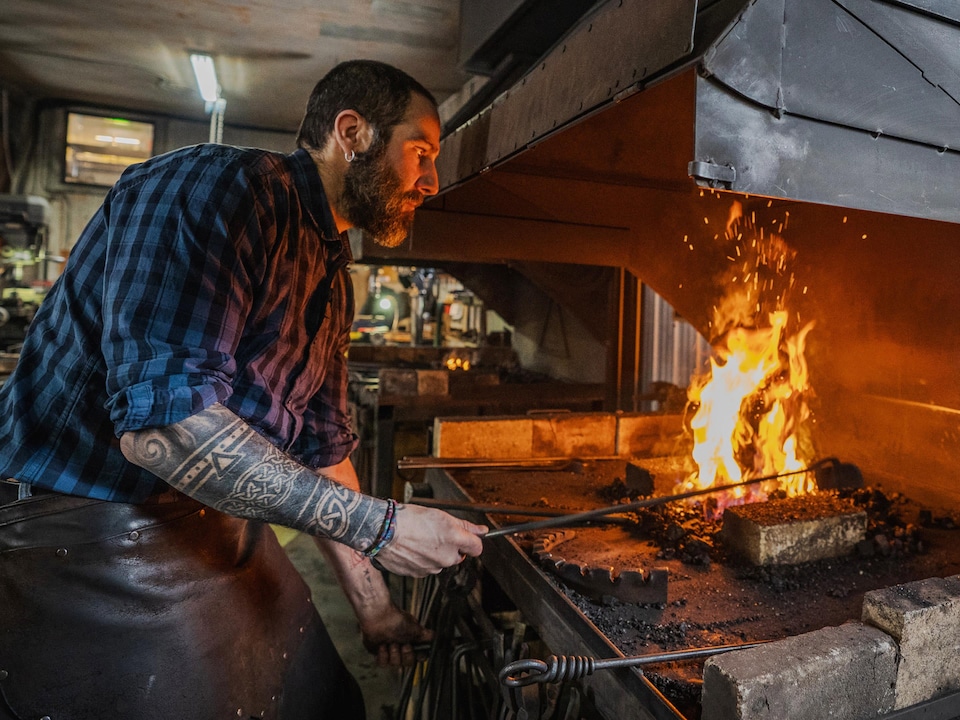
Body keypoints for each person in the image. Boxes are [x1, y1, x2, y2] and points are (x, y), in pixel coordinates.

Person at [0, 60, 487, 720]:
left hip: (209, 518)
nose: (431, 181)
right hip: (81, 525)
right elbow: (163, 432)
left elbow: (322, 449)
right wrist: (381, 525)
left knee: (325, 702)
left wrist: (374, 606)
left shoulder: (329, 277)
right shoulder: (216, 190)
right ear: (353, 133)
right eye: (421, 152)